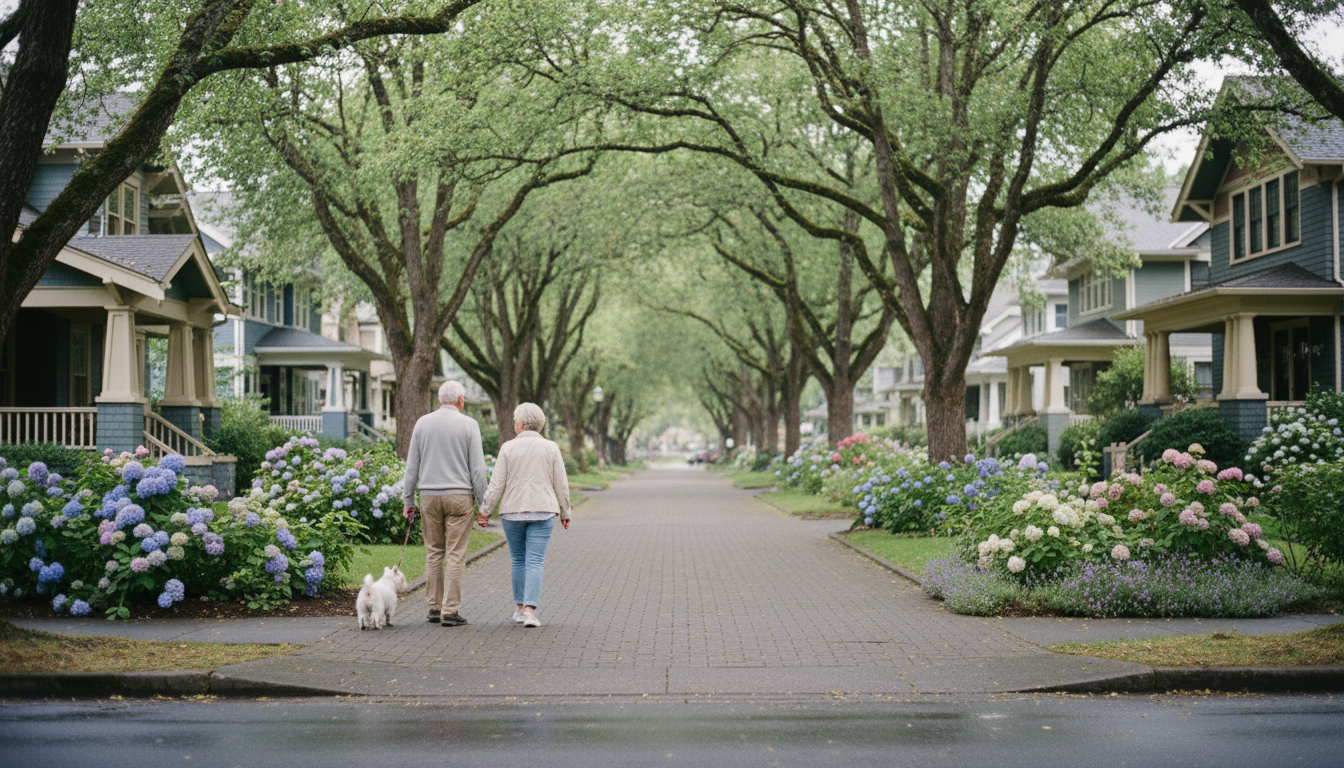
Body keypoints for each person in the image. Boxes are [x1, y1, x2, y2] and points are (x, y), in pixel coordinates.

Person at [477, 402, 571, 628]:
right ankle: (530, 610)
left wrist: (485, 510)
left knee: (518, 559)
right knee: (535, 561)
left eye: (514, 421)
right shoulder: (551, 448)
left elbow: (497, 484)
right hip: (544, 510)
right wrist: (565, 511)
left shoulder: (508, 448)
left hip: (512, 511)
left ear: (520, 424)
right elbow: (561, 483)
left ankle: (519, 609)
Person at [403, 380, 488, 627]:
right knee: (455, 553)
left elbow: (411, 468)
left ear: (440, 399)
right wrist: (484, 506)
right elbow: (478, 470)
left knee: (434, 552)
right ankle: (450, 612)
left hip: (429, 495)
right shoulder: (469, 425)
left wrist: (409, 500)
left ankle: (433, 607)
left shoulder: (422, 423)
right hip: (459, 497)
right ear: (461, 400)